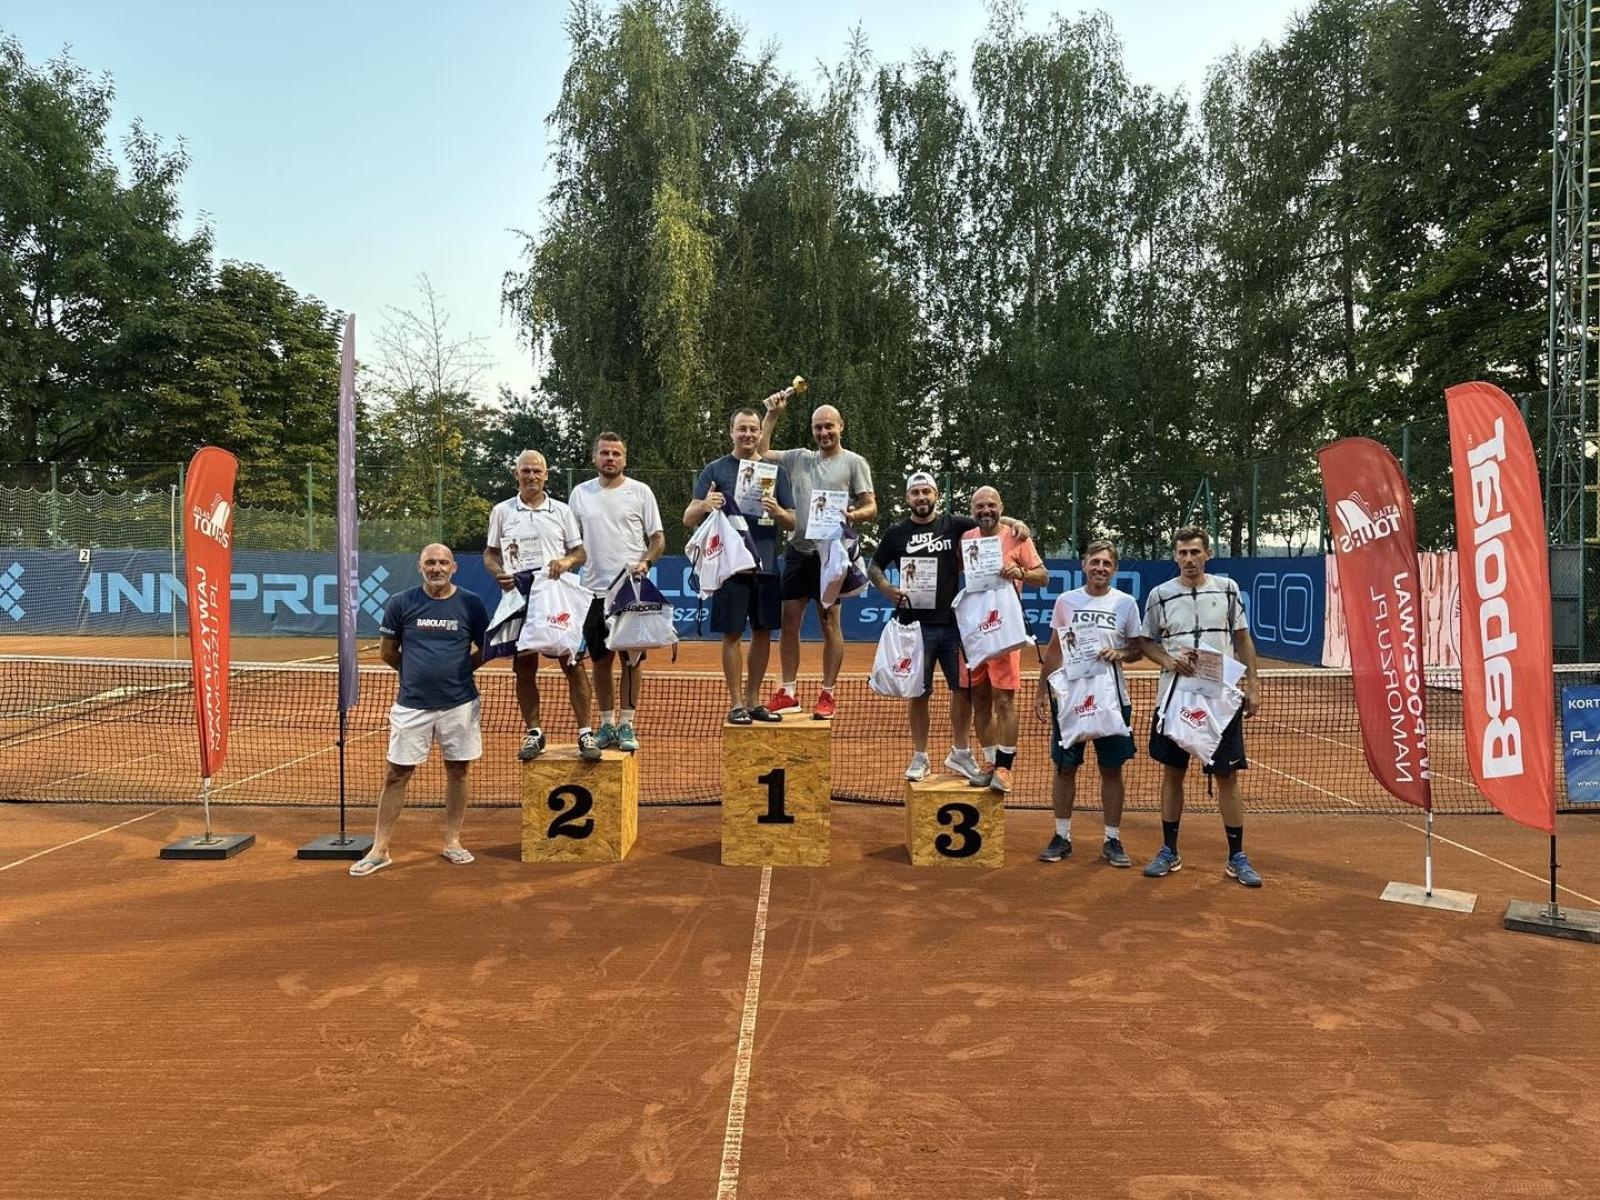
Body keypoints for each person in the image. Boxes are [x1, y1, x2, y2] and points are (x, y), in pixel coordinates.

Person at [869, 473, 1031, 784]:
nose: (921, 497)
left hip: (954, 627)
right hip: (915, 627)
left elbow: (987, 517)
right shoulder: (896, 533)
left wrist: (1016, 523)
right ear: (908, 498)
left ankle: (961, 752)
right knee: (918, 693)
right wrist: (886, 588)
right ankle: (920, 756)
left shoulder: (953, 525)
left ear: (936, 495)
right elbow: (874, 565)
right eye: (915, 492)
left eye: (926, 491)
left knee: (963, 691)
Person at [350, 544, 489, 877]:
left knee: (458, 771)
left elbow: (485, 648)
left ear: (454, 567)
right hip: (411, 706)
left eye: (442, 562)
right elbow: (388, 652)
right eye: (430, 563)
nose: (436, 568)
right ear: (420, 567)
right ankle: (380, 849)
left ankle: (452, 841)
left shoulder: (471, 603)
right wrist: (415, 674)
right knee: (396, 774)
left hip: (460, 704)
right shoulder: (401, 603)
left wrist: (459, 672)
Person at [1139, 526, 1264, 886]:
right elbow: (1146, 641)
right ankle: (1169, 850)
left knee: (1227, 776)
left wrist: (1252, 684)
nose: (1189, 559)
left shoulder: (1227, 589)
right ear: (1175, 556)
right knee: (1172, 774)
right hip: (1174, 697)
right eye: (1182, 553)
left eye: (1195, 552)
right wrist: (1168, 660)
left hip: (1218, 701)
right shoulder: (1159, 595)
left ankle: (1237, 856)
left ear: (1207, 553)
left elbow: (1242, 638)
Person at [756, 391, 877, 719]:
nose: (823, 432)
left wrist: (852, 515)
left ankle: (828, 693)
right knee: (788, 623)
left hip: (831, 556)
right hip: (798, 551)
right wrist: (773, 414)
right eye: (818, 427)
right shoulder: (799, 458)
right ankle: (788, 692)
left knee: (829, 625)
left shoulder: (854, 462)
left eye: (829, 426)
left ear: (841, 426)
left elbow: (871, 506)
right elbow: (762, 451)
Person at [483, 449, 600, 762]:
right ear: (516, 474)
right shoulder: (502, 511)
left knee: (572, 663)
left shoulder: (561, 511)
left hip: (554, 595)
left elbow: (580, 553)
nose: (531, 476)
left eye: (537, 471)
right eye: (526, 471)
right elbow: (490, 554)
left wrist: (566, 562)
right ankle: (534, 732)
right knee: (524, 666)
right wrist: (499, 573)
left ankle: (585, 733)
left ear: (546, 475)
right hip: (519, 596)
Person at [1034, 539, 1143, 867]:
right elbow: (1054, 650)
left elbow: (1136, 650)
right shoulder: (1066, 601)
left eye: (1106, 563)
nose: (1100, 568)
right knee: (1065, 767)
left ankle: (1112, 839)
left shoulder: (1125, 603)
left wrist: (1119, 653)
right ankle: (1061, 836)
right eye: (1095, 562)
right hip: (1071, 698)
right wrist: (1041, 691)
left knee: (1111, 769)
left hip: (1112, 698)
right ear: (1084, 565)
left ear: (1115, 568)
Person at [685, 408, 796, 724]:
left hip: (766, 567)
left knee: (762, 634)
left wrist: (777, 511)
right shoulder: (715, 470)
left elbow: (792, 521)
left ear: (760, 433)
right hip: (730, 569)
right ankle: (736, 704)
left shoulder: (776, 473)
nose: (748, 434)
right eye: (742, 429)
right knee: (732, 635)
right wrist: (706, 505)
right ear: (731, 432)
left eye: (753, 429)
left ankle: (753, 701)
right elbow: (688, 517)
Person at [568, 432, 666, 753]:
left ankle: (627, 724)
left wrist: (646, 562)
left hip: (630, 592)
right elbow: (571, 542)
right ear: (594, 458)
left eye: (616, 454)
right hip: (592, 592)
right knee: (600, 660)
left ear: (624, 458)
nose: (610, 458)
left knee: (632, 662)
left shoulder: (641, 492)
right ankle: (607, 724)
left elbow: (657, 538)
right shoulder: (580, 494)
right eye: (605, 453)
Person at [958, 486, 1047, 793]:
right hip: (974, 631)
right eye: (980, 506)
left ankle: (1005, 767)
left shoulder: (1018, 537)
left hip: (1004, 629)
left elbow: (1043, 576)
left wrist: (1019, 571)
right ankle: (989, 761)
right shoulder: (966, 538)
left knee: (1004, 701)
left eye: (992, 505)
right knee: (980, 700)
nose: (986, 510)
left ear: (1001, 507)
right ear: (972, 510)